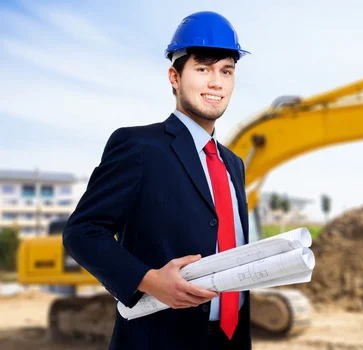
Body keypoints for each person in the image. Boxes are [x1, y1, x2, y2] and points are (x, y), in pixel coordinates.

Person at [62, 11, 252, 349]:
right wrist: (148, 280)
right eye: (203, 68)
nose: (216, 82)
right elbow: (83, 231)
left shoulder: (233, 164)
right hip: (160, 338)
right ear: (174, 77)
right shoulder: (138, 147)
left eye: (226, 71)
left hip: (230, 338)